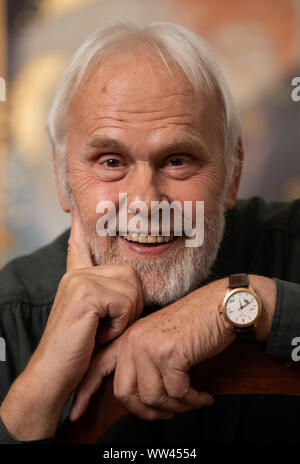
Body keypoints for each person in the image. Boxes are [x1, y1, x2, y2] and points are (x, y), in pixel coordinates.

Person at [0, 21, 300, 445]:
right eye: (110, 161)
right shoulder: (11, 311)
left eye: (178, 160)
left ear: (232, 173)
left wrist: (251, 301)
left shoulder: (290, 244)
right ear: (62, 176)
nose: (144, 201)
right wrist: (35, 393)